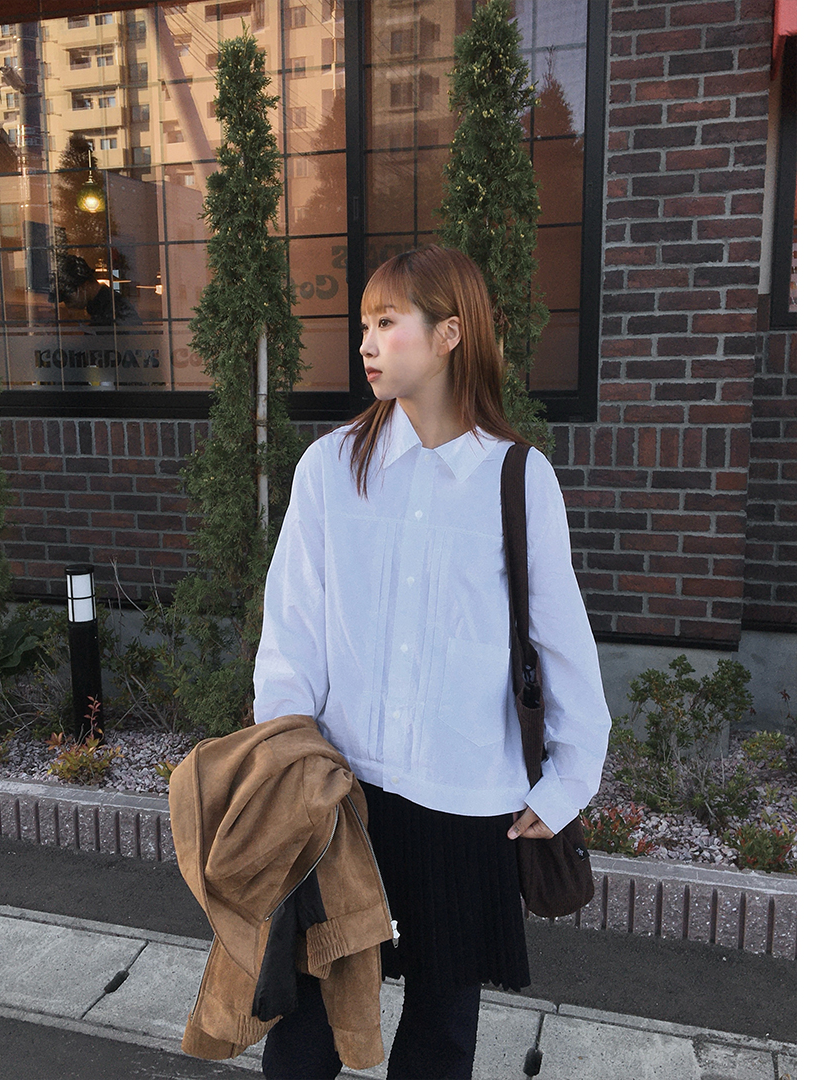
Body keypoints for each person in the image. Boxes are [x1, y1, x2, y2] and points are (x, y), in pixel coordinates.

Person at [252, 245, 611, 1080]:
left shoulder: (517, 478)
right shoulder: (330, 468)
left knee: (441, 1035)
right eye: (363, 325)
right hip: (344, 797)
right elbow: (293, 630)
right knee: (306, 1031)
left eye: (388, 323)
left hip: (465, 800)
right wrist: (286, 758)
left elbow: (563, 645)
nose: (366, 343)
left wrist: (567, 783)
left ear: (450, 333)